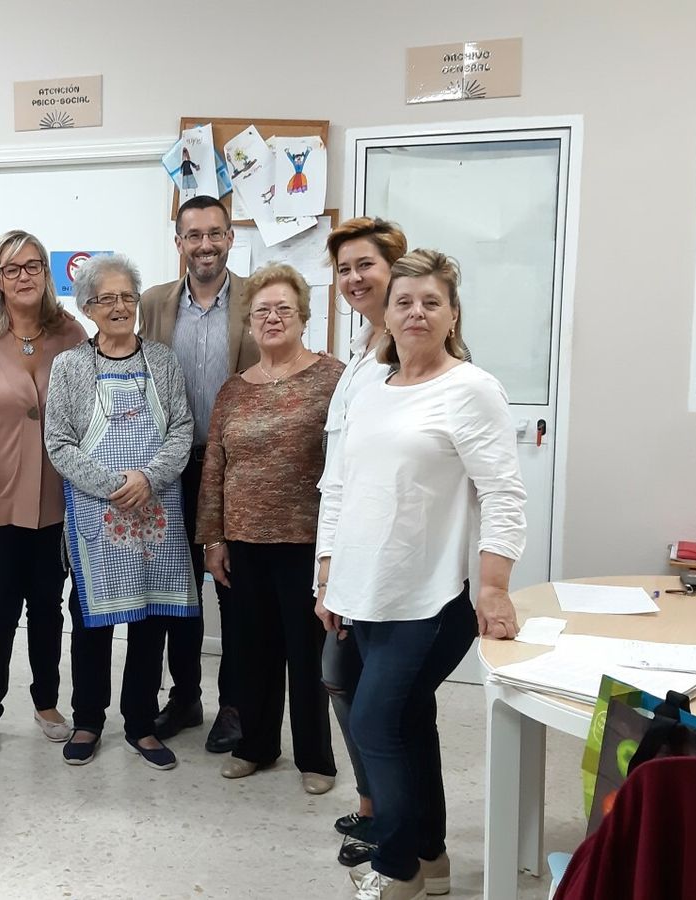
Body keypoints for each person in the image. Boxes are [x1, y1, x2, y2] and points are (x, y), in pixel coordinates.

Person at [316, 249, 525, 900]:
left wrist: (494, 586)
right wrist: (328, 575)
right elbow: (339, 487)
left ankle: (399, 868)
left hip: (429, 599)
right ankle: (431, 859)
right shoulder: (370, 389)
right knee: (404, 720)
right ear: (386, 314)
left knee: (376, 724)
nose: (416, 312)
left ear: (452, 314)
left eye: (432, 301)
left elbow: (503, 494)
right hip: (361, 592)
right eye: (403, 301)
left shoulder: (471, 389)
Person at [45, 253, 197, 770]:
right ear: (87, 307)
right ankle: (88, 719)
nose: (118, 307)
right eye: (105, 298)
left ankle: (140, 723)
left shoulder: (162, 361)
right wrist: (115, 486)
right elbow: (59, 444)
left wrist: (149, 478)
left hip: (156, 510)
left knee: (150, 621)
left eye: (127, 297)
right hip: (99, 515)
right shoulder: (69, 366)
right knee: (91, 623)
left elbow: (181, 428)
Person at [196, 263, 343, 795]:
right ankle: (255, 746)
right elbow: (215, 467)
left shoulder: (333, 378)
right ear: (249, 322)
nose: (273, 318)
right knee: (250, 653)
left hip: (307, 542)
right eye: (262, 310)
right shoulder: (233, 390)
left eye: (284, 308)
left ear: (303, 316)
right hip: (244, 543)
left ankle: (316, 759)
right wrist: (213, 539)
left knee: (306, 657)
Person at [137, 194, 258, 753]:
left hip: (236, 467)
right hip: (172, 466)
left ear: (230, 238)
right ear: (179, 242)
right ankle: (185, 697)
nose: (205, 244)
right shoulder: (154, 304)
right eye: (194, 235)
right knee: (177, 591)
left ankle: (235, 706)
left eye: (215, 233)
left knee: (235, 591)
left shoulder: (257, 298)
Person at [0, 230, 84, 758]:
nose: (24, 276)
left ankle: (47, 703)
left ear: (46, 275)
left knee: (48, 608)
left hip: (56, 500)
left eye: (33, 266)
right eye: (12, 269)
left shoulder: (71, 334)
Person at [315, 217, 410, 867]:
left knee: (373, 698)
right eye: (344, 269)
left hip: (385, 557)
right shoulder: (360, 348)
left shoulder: (407, 352)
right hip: (345, 547)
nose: (353, 278)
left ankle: (394, 821)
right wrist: (327, 569)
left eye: (365, 265)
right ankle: (374, 804)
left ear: (394, 269)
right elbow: (339, 471)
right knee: (341, 677)